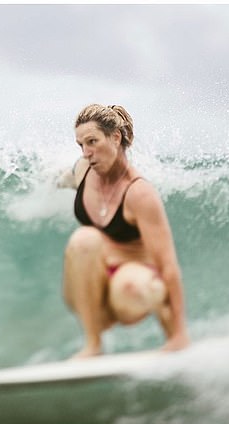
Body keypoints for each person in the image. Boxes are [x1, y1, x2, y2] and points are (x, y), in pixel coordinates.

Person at [62, 104, 190, 358]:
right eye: (80, 145)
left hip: (131, 285)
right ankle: (93, 345)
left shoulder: (139, 193)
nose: (86, 152)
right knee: (83, 239)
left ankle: (171, 330)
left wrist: (178, 333)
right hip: (92, 283)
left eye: (92, 141)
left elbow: (168, 266)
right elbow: (63, 178)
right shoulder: (82, 171)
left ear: (116, 137)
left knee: (134, 289)